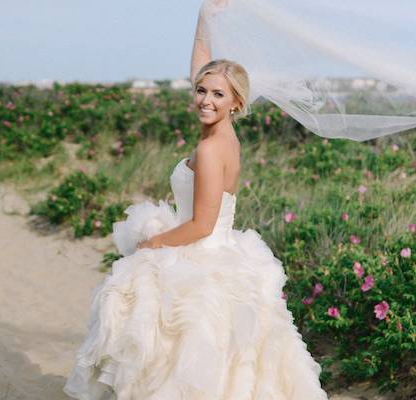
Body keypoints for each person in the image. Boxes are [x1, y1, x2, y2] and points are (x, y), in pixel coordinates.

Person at [62, 5, 329, 400]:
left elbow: (201, 225)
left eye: (218, 94)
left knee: (177, 354)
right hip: (221, 248)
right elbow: (203, 66)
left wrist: (150, 245)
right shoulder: (225, 134)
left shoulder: (209, 150)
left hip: (200, 252)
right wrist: (205, 17)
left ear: (236, 102)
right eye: (201, 91)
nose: (205, 99)